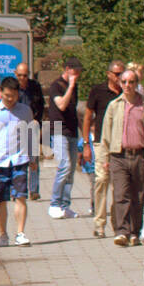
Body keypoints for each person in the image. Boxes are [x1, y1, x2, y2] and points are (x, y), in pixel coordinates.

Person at [101, 68, 144, 245]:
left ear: (136, 84)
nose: (127, 85)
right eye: (124, 82)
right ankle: (122, 231)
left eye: (131, 82)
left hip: (140, 155)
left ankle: (135, 231)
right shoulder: (114, 105)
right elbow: (106, 133)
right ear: (120, 83)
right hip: (119, 155)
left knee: (138, 195)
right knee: (121, 194)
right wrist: (105, 158)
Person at [0, 76, 34, 247]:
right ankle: (3, 234)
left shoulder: (25, 111)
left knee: (21, 197)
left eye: (14, 95)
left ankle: (20, 233)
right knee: (0, 200)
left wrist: (33, 157)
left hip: (20, 159)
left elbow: (30, 133)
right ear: (0, 92)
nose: (10, 99)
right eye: (7, 95)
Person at [86, 60, 125, 237]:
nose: (119, 78)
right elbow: (88, 117)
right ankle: (99, 223)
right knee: (102, 180)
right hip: (102, 141)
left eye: (122, 74)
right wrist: (86, 143)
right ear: (109, 74)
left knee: (120, 184)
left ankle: (119, 222)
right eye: (116, 74)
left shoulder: (128, 91)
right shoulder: (98, 91)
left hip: (122, 142)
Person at [46, 57, 83, 219]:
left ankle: (64, 205)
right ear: (67, 69)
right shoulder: (56, 86)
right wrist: (71, 86)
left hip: (72, 131)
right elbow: (61, 105)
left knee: (71, 170)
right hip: (58, 129)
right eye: (76, 70)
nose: (78, 74)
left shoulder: (74, 87)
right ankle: (54, 203)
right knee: (64, 165)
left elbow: (73, 110)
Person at [14, 62, 45, 200]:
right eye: (20, 75)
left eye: (25, 75)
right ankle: (17, 189)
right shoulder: (12, 87)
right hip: (16, 126)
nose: (22, 78)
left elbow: (41, 104)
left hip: (32, 124)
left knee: (33, 158)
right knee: (17, 158)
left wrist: (38, 120)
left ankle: (33, 190)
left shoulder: (34, 87)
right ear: (16, 74)